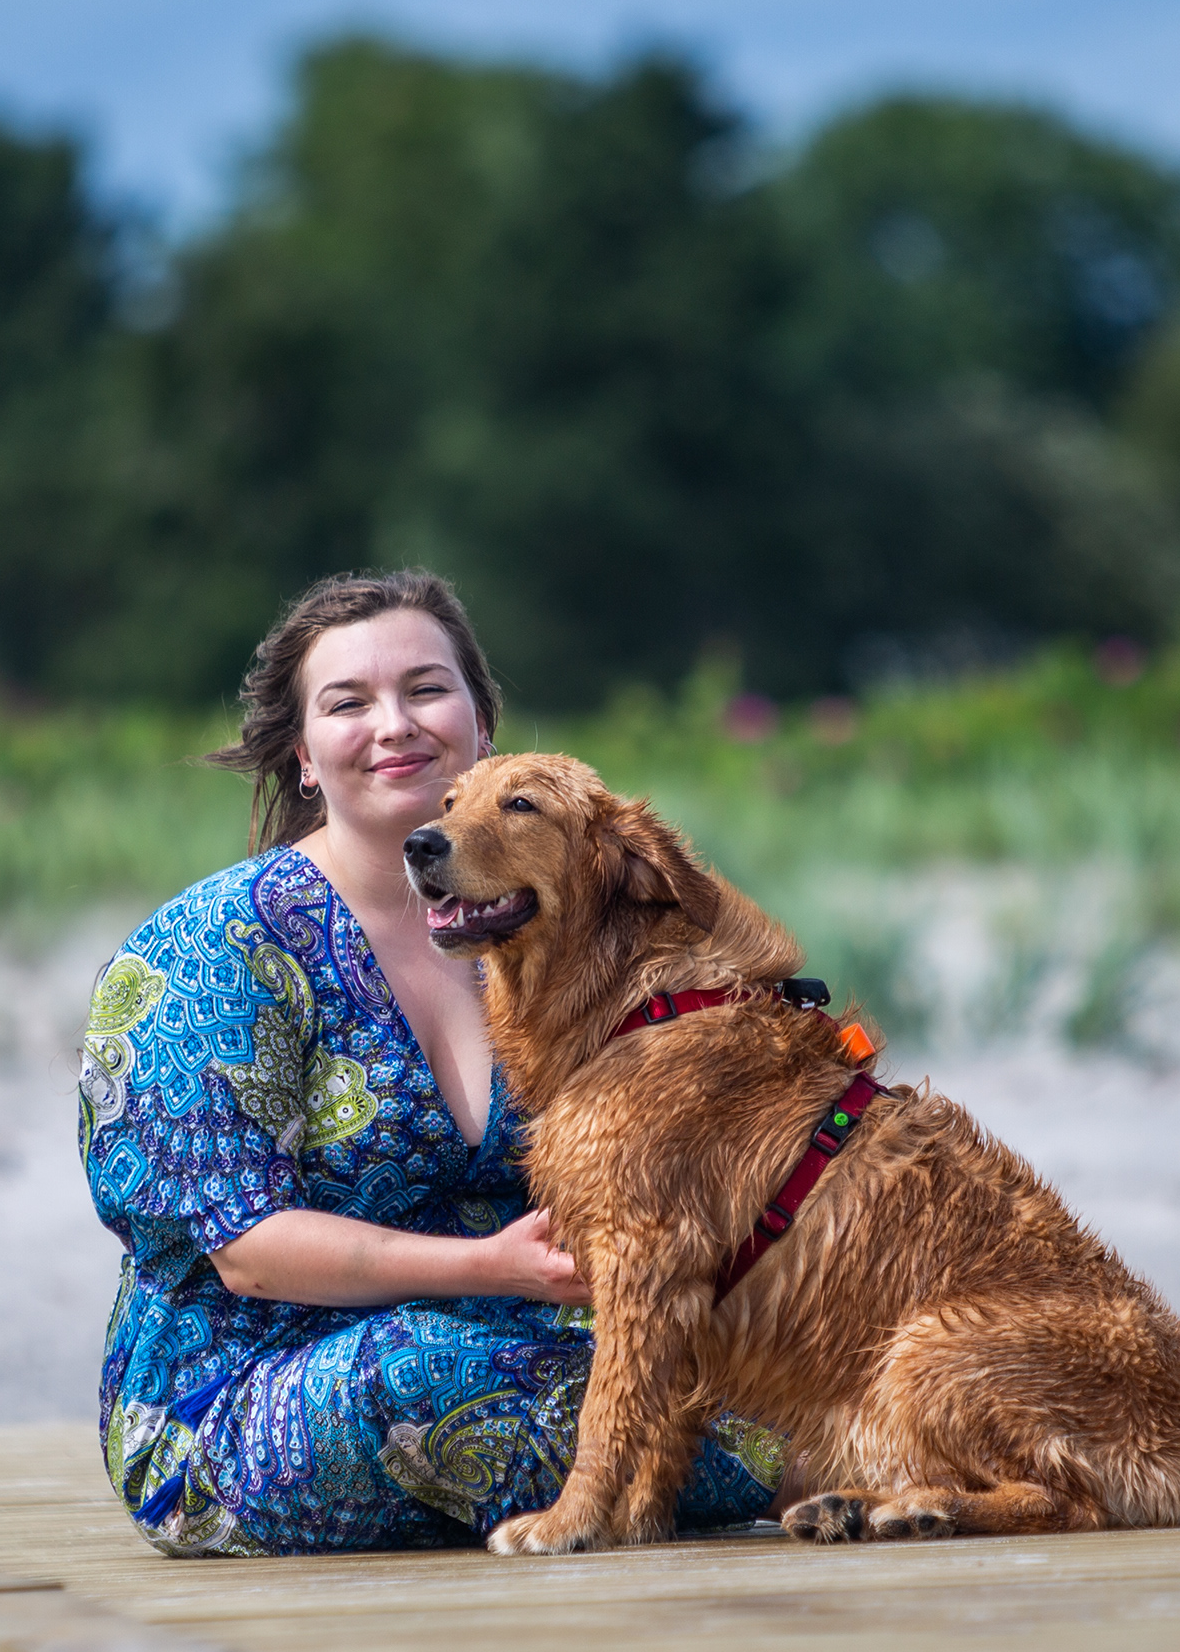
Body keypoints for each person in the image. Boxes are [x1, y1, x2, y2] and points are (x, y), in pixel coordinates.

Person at [77, 569, 784, 1554]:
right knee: (424, 1371)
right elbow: (247, 1251)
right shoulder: (214, 948)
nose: (395, 724)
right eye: (348, 703)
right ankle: (814, 1462)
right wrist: (493, 1267)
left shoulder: (560, 930)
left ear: (482, 725)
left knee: (770, 1348)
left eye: (425, 689)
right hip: (249, 1389)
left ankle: (882, 1444)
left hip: (534, 1338)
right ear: (303, 754)